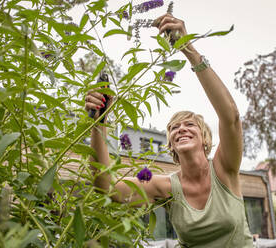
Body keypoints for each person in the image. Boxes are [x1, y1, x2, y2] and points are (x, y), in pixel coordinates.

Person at [85, 13, 253, 248]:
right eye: (174, 128)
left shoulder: (225, 170)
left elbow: (231, 117)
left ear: (205, 138)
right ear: (171, 145)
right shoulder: (165, 186)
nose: (181, 129)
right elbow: (106, 187)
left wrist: (188, 49)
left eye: (189, 124)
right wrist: (98, 123)